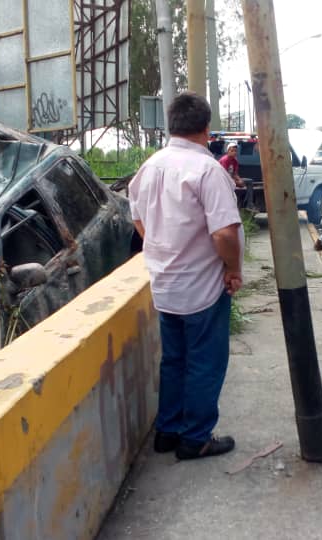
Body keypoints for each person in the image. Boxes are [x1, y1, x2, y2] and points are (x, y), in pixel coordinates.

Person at [129, 92, 243, 460]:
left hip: (165, 285)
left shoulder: (149, 167)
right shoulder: (208, 171)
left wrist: (162, 246)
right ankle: (195, 438)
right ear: (206, 128)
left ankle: (168, 430)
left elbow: (136, 217)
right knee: (205, 362)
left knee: (174, 360)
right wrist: (233, 268)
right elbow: (224, 234)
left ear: (171, 125)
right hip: (202, 288)